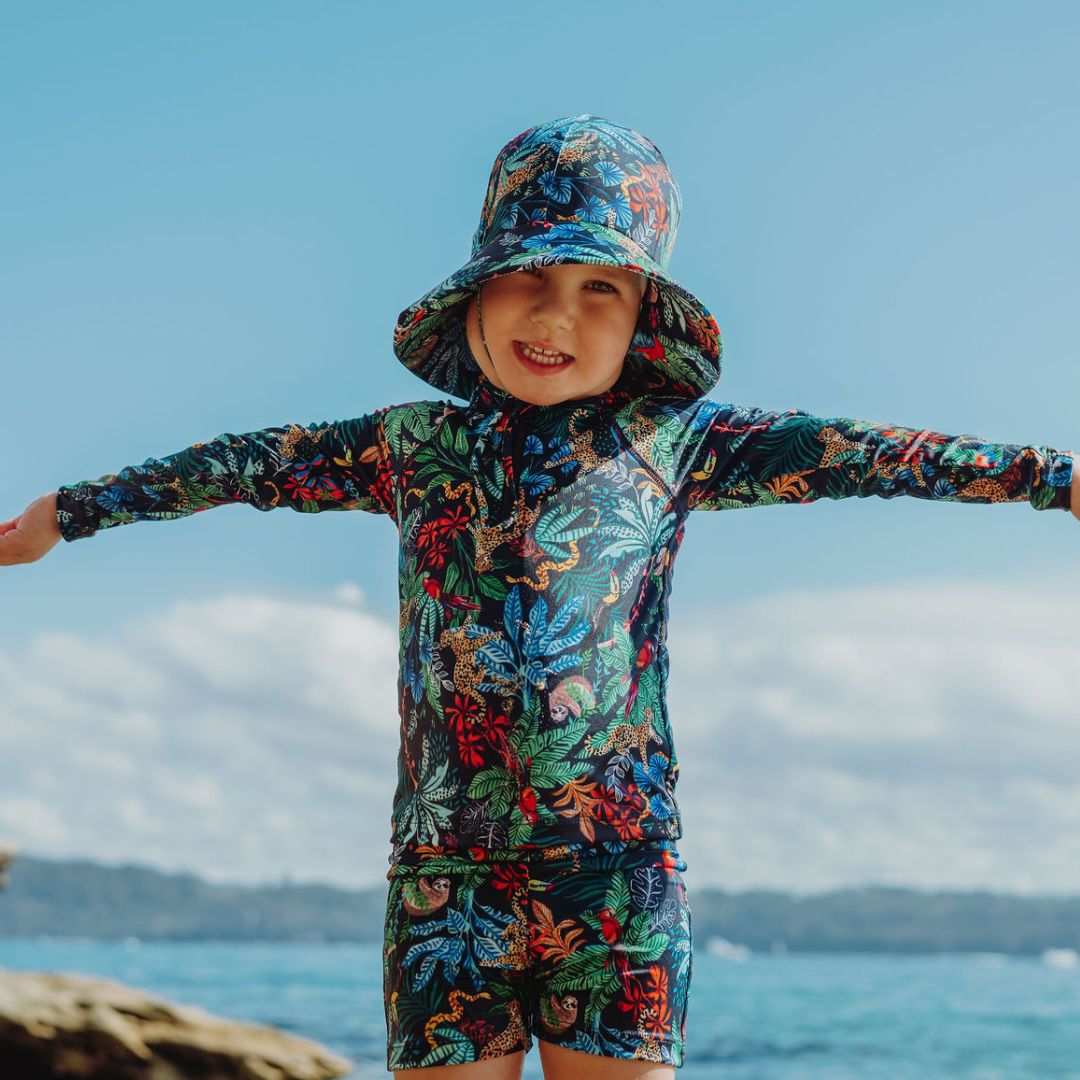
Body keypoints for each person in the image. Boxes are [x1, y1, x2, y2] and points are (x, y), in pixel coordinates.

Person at [2, 114, 1077, 1080]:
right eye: (531, 276)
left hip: (619, 869)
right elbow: (242, 462)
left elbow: (871, 453)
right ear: (476, 293)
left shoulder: (680, 445)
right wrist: (68, 512)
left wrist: (1050, 476)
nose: (556, 313)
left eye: (598, 287)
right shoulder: (405, 448)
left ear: (642, 318)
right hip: (444, 872)